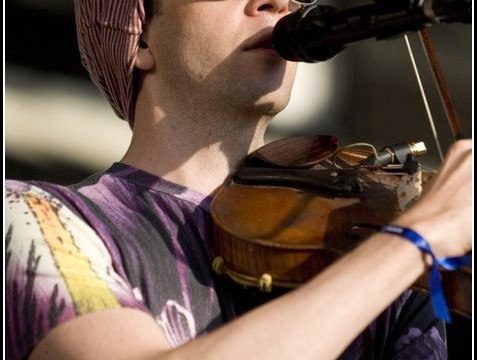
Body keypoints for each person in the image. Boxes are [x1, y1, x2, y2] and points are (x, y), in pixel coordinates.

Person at [5, 0, 472, 359]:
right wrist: (417, 239)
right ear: (141, 37)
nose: (276, 3)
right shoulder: (34, 217)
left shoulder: (370, 247)